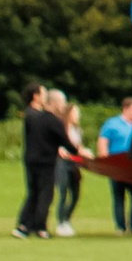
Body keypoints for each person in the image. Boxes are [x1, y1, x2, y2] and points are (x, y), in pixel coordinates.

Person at [14, 84, 63, 239]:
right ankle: (35, 226)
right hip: (43, 160)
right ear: (35, 96)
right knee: (43, 194)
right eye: (43, 93)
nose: (45, 96)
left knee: (34, 192)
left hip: (32, 159)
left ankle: (28, 225)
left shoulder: (31, 115)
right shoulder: (35, 115)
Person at [98, 97, 132, 233]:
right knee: (119, 196)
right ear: (126, 109)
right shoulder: (112, 124)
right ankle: (120, 226)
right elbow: (103, 141)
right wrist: (104, 159)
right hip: (117, 165)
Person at [50, 91, 85, 238]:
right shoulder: (61, 127)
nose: (78, 116)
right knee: (63, 192)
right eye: (76, 113)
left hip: (74, 164)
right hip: (62, 163)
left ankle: (67, 219)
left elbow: (78, 147)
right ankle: (61, 223)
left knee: (76, 194)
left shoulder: (78, 130)